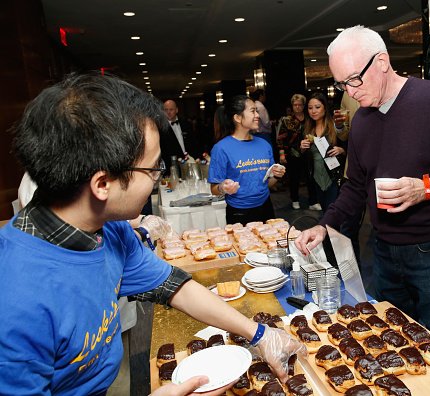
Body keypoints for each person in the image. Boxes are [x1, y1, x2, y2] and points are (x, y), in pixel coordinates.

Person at [0, 73, 305, 395]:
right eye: (153, 169)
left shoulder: (109, 230)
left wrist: (260, 334)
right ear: (102, 184)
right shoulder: (17, 301)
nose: (159, 179)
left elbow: (174, 286)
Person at [294, 26, 430, 363]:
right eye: (341, 84)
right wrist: (324, 225)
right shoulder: (361, 123)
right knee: (394, 345)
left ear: (382, 62)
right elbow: (356, 186)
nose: (349, 91)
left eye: (354, 80)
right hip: (384, 253)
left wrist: (428, 187)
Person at [208, 95, 286, 225]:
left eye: (257, 111)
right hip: (239, 212)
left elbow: (266, 183)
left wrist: (276, 176)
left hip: (266, 207)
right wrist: (223, 188)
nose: (257, 115)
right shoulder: (221, 148)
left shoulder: (264, 144)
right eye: (252, 111)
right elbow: (214, 189)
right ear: (238, 118)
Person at [299, 92, 345, 212]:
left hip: (334, 176)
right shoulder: (307, 129)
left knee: (334, 212)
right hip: (316, 177)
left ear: (325, 107)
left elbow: (349, 146)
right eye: (310, 108)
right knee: (325, 211)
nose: (313, 111)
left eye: (317, 107)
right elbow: (302, 156)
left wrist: (341, 150)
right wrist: (302, 148)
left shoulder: (334, 126)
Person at [334, 93, 365, 263]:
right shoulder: (347, 94)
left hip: (382, 172)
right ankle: (353, 279)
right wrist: (339, 126)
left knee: (385, 230)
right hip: (352, 171)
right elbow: (344, 135)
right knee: (347, 229)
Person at [276, 94, 319, 210]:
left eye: (300, 105)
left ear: (304, 105)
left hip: (309, 152)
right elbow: (280, 138)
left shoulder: (309, 118)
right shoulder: (287, 120)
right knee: (294, 178)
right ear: (292, 106)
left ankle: (313, 202)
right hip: (293, 152)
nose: (297, 107)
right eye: (295, 105)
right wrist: (282, 154)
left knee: (310, 177)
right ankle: (295, 199)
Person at [161, 99, 201, 172]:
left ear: (176, 110)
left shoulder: (186, 124)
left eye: (171, 109)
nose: (168, 112)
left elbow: (194, 143)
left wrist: (196, 158)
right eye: (166, 110)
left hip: (190, 163)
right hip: (172, 167)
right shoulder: (161, 128)